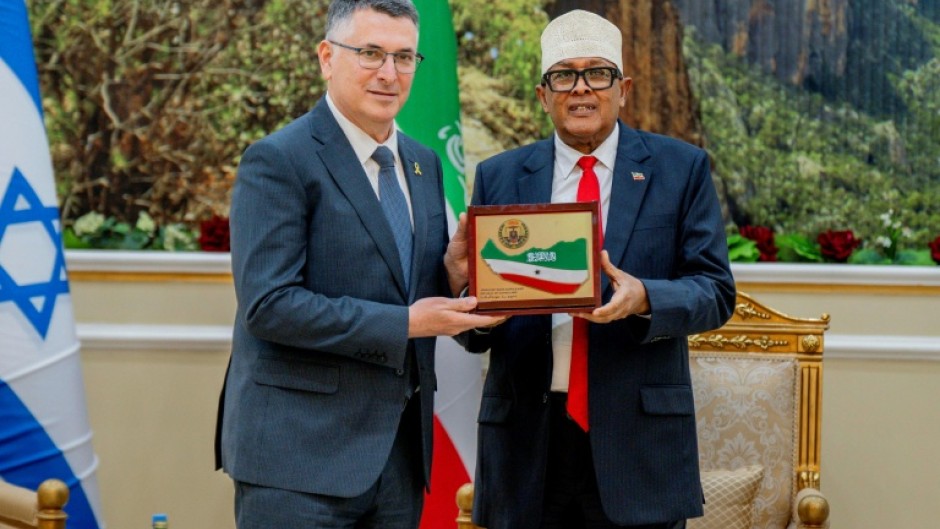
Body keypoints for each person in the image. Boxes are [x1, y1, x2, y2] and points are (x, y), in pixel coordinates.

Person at [213, 1, 500, 528]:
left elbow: (411, 288)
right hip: (297, 460)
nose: (389, 74)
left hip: (398, 456)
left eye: (405, 57)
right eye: (370, 53)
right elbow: (270, 305)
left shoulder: (422, 163)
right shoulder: (278, 160)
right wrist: (408, 324)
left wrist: (457, 278)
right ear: (327, 57)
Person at [460, 9, 737, 529]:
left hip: (639, 448)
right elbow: (473, 329)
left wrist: (646, 298)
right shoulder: (499, 177)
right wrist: (478, 305)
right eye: (564, 75)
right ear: (544, 95)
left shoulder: (681, 170)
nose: (581, 89)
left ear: (623, 88)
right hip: (525, 446)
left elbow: (716, 292)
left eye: (598, 73)